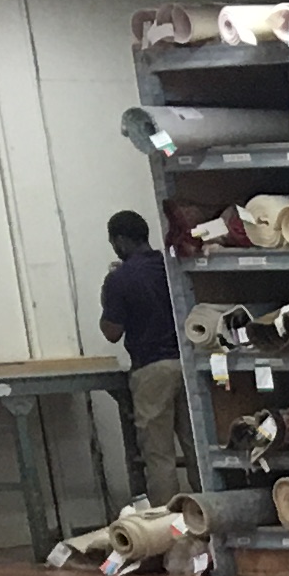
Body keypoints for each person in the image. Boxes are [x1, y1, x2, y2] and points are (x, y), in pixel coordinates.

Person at [99, 210, 184, 502]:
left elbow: (112, 332)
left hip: (152, 370)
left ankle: (167, 522)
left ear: (121, 240)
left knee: (159, 455)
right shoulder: (171, 266)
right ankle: (208, 514)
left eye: (113, 242)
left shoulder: (119, 279)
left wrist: (107, 296)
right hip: (189, 365)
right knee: (199, 447)